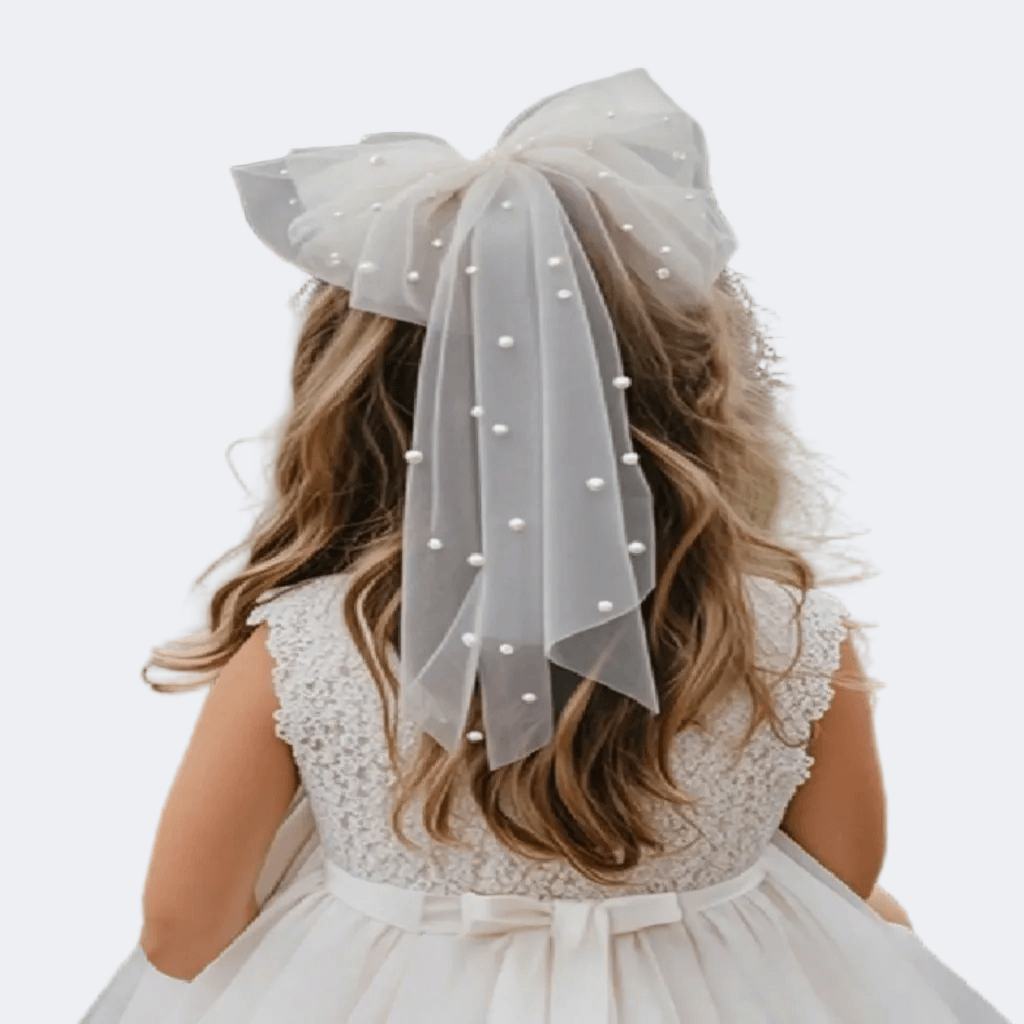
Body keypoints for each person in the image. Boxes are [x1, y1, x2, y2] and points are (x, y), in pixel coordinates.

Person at [79, 69, 1009, 1023]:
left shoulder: (310, 645)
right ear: (684, 390)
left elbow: (183, 932)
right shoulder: (794, 634)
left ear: (367, 405)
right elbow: (839, 883)